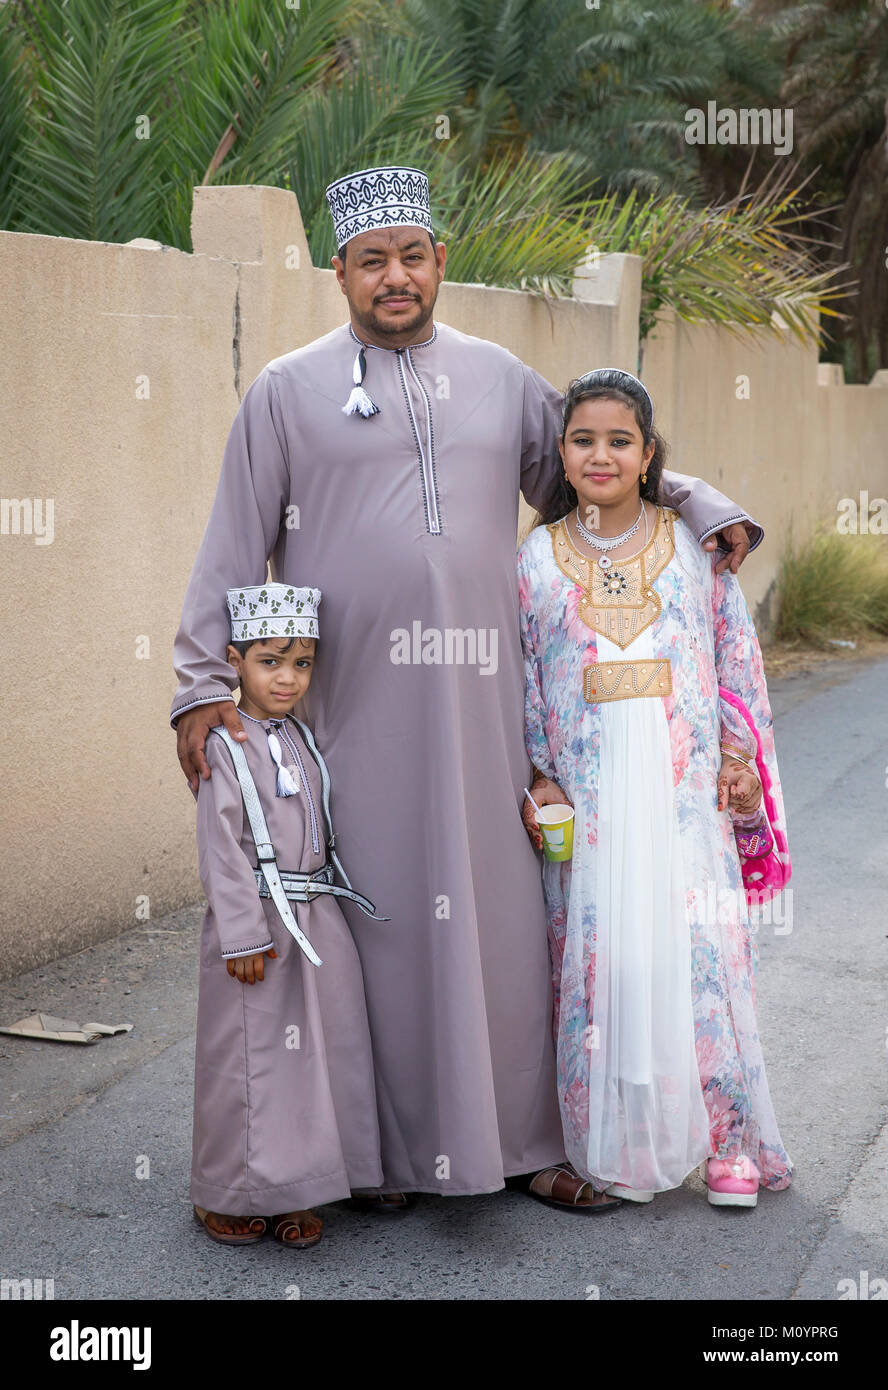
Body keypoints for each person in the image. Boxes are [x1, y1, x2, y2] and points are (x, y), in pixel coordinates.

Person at [172, 164, 766, 1212]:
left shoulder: (497, 379)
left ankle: (529, 1140)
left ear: (440, 261)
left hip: (494, 712)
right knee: (385, 925)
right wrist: (197, 684)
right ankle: (390, 1155)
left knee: (499, 920)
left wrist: (700, 502)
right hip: (353, 712)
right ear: (340, 274)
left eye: (411, 256)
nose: (393, 278)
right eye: (370, 262)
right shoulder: (286, 390)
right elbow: (231, 543)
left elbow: (599, 468)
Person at [517, 368, 792, 1208]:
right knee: (610, 961)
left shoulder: (694, 546)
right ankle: (612, 1131)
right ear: (561, 456)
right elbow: (527, 681)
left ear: (647, 456)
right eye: (583, 439)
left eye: (620, 440)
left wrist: (738, 762)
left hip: (682, 795)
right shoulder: (533, 559)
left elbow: (734, 659)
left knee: (699, 959)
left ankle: (728, 1141)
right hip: (593, 799)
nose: (601, 454)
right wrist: (537, 776)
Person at [191, 582, 385, 1247]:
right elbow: (221, 848)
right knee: (247, 1061)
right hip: (254, 928)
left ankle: (299, 1188)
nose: (287, 677)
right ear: (234, 661)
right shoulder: (224, 744)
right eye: (270, 661)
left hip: (314, 917)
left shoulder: (300, 736)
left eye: (301, 663)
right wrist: (241, 933)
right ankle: (227, 1189)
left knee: (313, 1061)